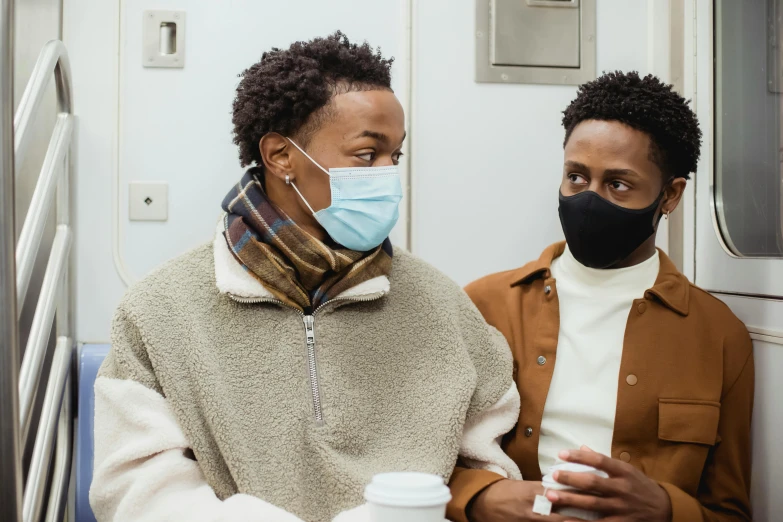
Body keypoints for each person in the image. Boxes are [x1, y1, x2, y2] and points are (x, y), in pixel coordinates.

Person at [90, 32, 520, 522]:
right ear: (280, 156)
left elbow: (487, 461)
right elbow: (135, 489)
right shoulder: (159, 310)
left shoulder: (440, 302)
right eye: (366, 155)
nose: (387, 174)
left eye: (394, 157)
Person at [448, 71, 754, 522]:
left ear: (670, 195)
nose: (589, 199)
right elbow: (416, 456)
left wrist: (668, 509)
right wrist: (483, 497)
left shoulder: (719, 336)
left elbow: (730, 511)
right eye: (576, 177)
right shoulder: (484, 304)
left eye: (618, 184)